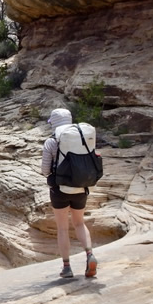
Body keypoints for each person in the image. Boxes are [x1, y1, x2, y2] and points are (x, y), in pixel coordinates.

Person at [41, 108, 98, 278]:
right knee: (79, 223)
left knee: (63, 228)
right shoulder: (83, 136)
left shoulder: (51, 141)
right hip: (82, 187)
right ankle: (90, 255)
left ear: (54, 123)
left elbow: (45, 170)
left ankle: (67, 268)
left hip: (60, 189)